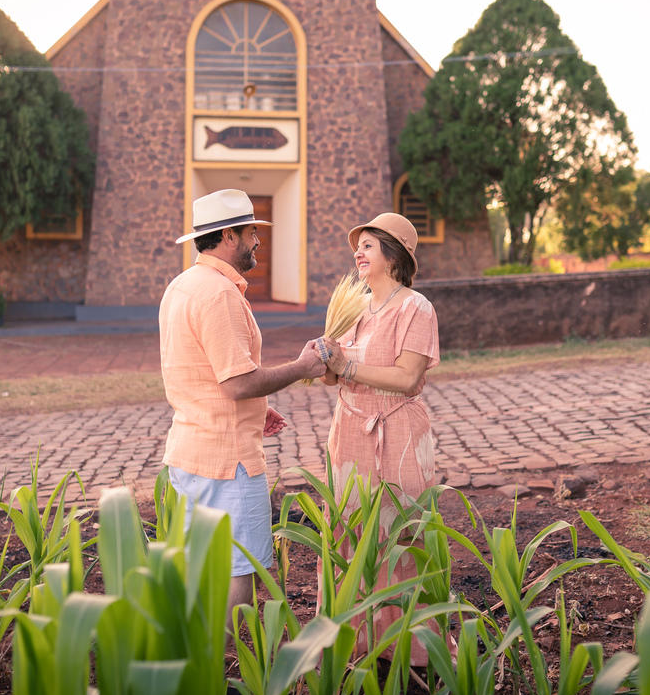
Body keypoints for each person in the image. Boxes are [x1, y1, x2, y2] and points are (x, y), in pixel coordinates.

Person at [160, 188, 326, 626]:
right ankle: (226, 660)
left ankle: (200, 653)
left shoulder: (182, 285)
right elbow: (237, 383)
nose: (257, 241)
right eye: (252, 232)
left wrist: (257, 408)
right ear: (230, 236)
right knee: (241, 568)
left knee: (203, 561)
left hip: (192, 451)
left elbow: (199, 371)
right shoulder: (219, 294)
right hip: (227, 460)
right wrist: (303, 367)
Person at [319, 212, 441, 665]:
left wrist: (346, 365)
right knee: (348, 528)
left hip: (397, 430)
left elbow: (408, 378)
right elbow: (333, 377)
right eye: (359, 245)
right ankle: (354, 641)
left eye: (368, 245)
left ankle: (409, 647)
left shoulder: (416, 307)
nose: (358, 252)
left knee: (400, 530)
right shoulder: (353, 308)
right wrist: (324, 358)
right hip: (348, 429)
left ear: (393, 256)